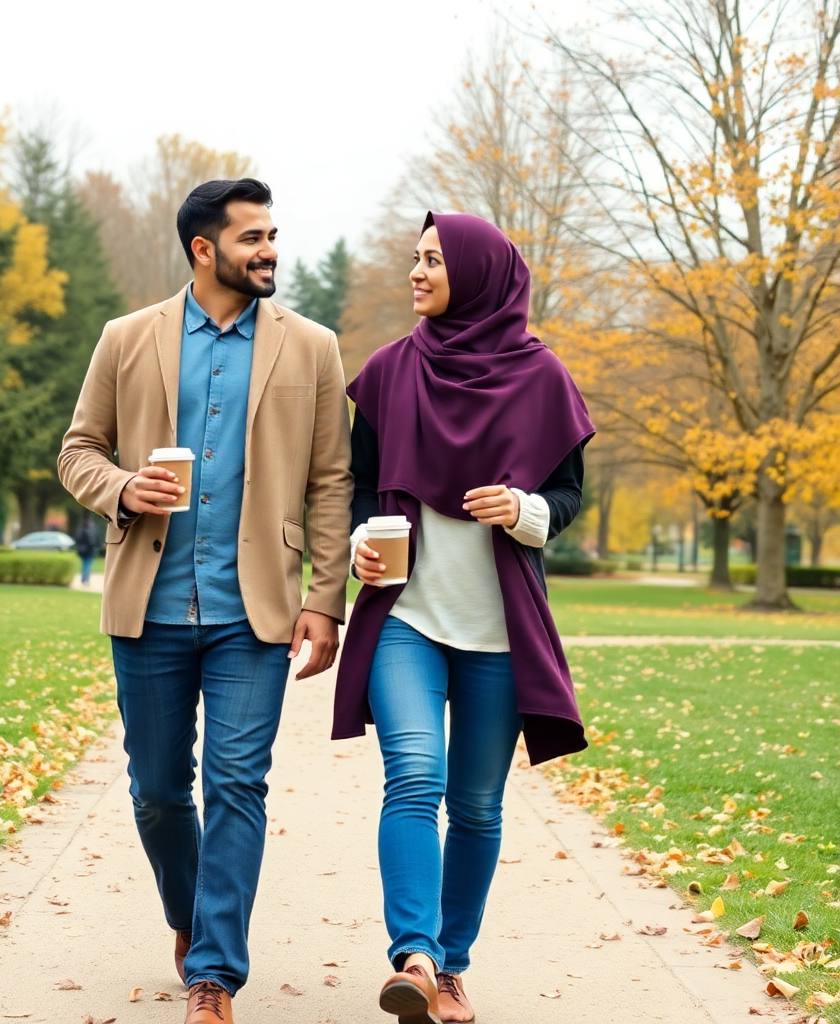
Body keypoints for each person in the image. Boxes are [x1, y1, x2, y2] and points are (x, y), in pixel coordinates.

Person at [58, 178, 352, 1024]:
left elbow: (332, 481)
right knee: (156, 790)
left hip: (252, 614)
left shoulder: (314, 348)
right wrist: (122, 487)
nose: (268, 251)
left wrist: (324, 600)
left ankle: (214, 975)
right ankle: (188, 917)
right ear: (202, 249)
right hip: (147, 606)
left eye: (272, 235)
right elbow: (79, 449)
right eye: (251, 237)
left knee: (238, 784)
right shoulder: (126, 339)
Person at [333, 212, 595, 1024]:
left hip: (497, 637)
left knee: (478, 806)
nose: (416, 272)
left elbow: (568, 497)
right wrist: (354, 549)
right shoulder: (387, 373)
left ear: (478, 273)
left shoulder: (543, 377)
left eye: (433, 260)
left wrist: (518, 508)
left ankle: (452, 968)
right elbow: (357, 487)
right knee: (414, 776)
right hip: (406, 618)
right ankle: (414, 956)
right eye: (414, 258)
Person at [75, 514, 99, 585]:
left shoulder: (81, 530)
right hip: (89, 551)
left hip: (83, 551)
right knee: (87, 565)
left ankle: (83, 579)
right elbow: (93, 542)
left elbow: (78, 540)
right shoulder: (91, 531)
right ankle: (86, 580)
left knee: (85, 565)